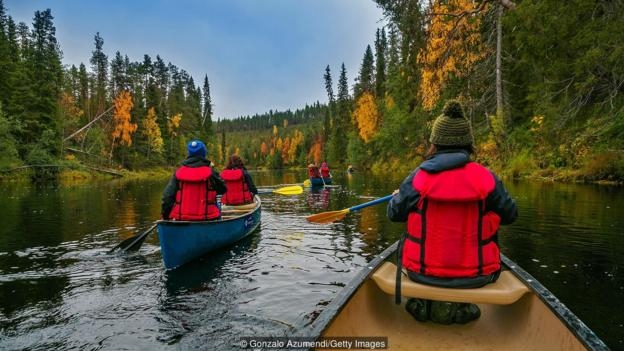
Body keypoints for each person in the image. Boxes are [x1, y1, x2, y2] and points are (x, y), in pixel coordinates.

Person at [387, 99, 518, 325]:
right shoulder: (486, 178)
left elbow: (393, 214)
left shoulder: (418, 178)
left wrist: (397, 196)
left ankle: (425, 304)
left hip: (421, 273)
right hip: (478, 277)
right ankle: (460, 308)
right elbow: (510, 215)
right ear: (468, 144)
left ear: (434, 144)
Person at [161, 140, 227, 221]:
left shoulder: (178, 173)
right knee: (217, 204)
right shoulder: (211, 173)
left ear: (189, 154)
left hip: (182, 220)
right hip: (208, 219)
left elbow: (167, 197)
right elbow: (223, 189)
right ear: (203, 154)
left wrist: (166, 217)